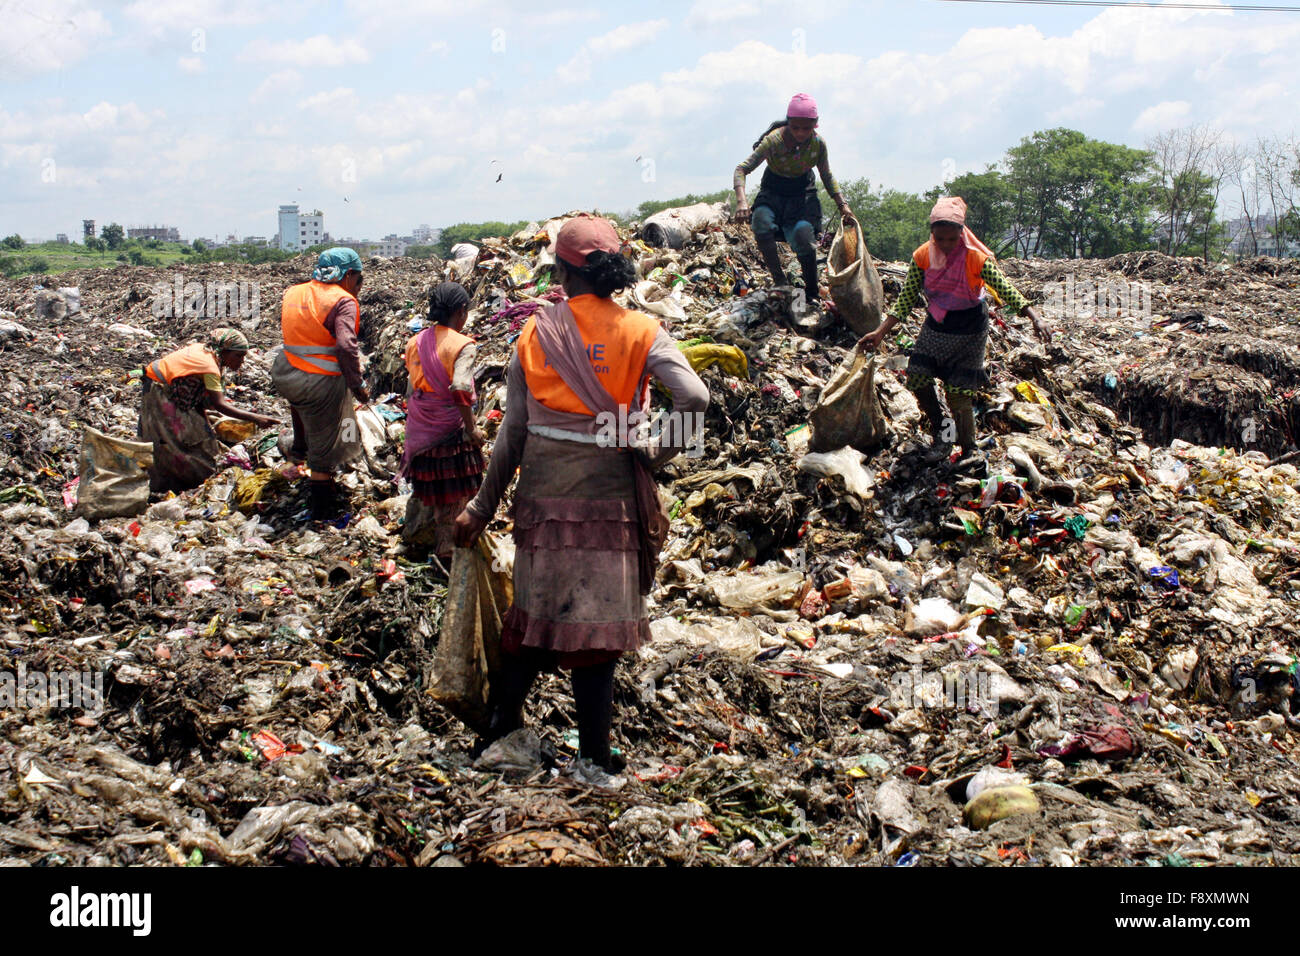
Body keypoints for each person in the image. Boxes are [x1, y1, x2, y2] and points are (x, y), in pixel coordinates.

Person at [453, 214, 709, 774]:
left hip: (544, 495)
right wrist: (652, 451)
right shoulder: (642, 329)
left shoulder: (535, 332)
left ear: (563, 271)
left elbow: (513, 431)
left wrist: (481, 505)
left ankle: (500, 724)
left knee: (533, 614)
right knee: (597, 627)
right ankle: (594, 751)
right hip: (609, 495)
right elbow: (695, 399)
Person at [856, 196, 1052, 466]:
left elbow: (1005, 288)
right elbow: (906, 299)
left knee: (958, 393)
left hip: (970, 329)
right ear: (932, 235)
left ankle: (970, 449)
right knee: (918, 377)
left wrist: (1034, 316)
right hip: (938, 326)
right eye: (940, 240)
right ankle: (942, 431)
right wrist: (880, 332)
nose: (947, 246)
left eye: (952, 239)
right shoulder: (922, 256)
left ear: (962, 233)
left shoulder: (976, 258)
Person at [271, 247, 370, 518]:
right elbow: (346, 345)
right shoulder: (343, 300)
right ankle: (322, 510)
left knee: (303, 413)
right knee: (324, 449)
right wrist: (356, 384)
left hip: (285, 373)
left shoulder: (294, 291)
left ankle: (298, 452)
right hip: (316, 381)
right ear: (349, 275)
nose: (358, 288)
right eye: (359, 280)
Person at [733, 92, 854, 302]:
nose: (800, 133)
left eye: (806, 128)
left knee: (803, 236)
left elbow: (826, 175)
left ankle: (812, 292)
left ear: (815, 126)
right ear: (789, 123)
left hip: (801, 196)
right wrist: (742, 201)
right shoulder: (773, 141)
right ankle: (779, 279)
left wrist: (842, 204)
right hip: (773, 192)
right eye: (796, 127)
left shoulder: (818, 144)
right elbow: (741, 169)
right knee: (760, 220)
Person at [399, 282, 486, 560]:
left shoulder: (415, 341)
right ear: (461, 311)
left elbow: (412, 387)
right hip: (449, 429)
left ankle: (421, 537)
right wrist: (471, 428)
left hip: (420, 426)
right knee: (456, 491)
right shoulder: (463, 345)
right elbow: (460, 387)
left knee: (430, 486)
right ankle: (447, 550)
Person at [139, 328, 278, 493]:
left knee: (190, 433)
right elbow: (219, 404)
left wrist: (204, 423)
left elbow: (201, 397)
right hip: (158, 389)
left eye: (244, 356)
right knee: (169, 439)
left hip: (168, 387)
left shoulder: (207, 351)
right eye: (238, 355)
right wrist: (256, 418)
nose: (241, 361)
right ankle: (168, 482)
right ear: (224, 351)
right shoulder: (209, 366)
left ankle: (171, 478)